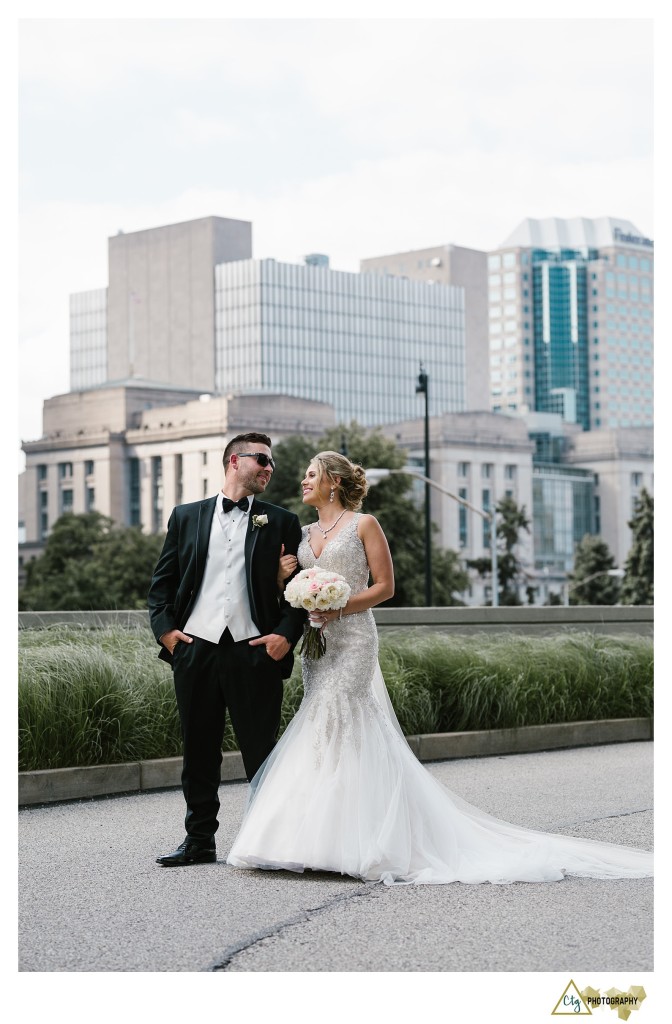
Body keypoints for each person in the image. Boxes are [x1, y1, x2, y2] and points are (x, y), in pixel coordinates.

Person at [227, 451, 653, 885]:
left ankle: (359, 837)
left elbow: (385, 587)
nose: (303, 480)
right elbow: (295, 590)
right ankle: (310, 837)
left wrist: (340, 607)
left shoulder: (364, 525)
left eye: (311, 474)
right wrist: (286, 582)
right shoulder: (303, 533)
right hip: (319, 645)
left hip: (353, 638)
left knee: (342, 717)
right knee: (319, 724)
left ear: (333, 482)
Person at [148, 432, 306, 866]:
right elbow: (161, 586)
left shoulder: (282, 521)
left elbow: (299, 593)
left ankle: (269, 842)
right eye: (262, 460)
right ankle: (199, 841)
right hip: (195, 649)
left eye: (272, 462)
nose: (270, 468)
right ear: (234, 461)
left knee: (261, 751)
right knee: (198, 748)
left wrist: (284, 636)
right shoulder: (186, 517)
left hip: (254, 649)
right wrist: (166, 633)